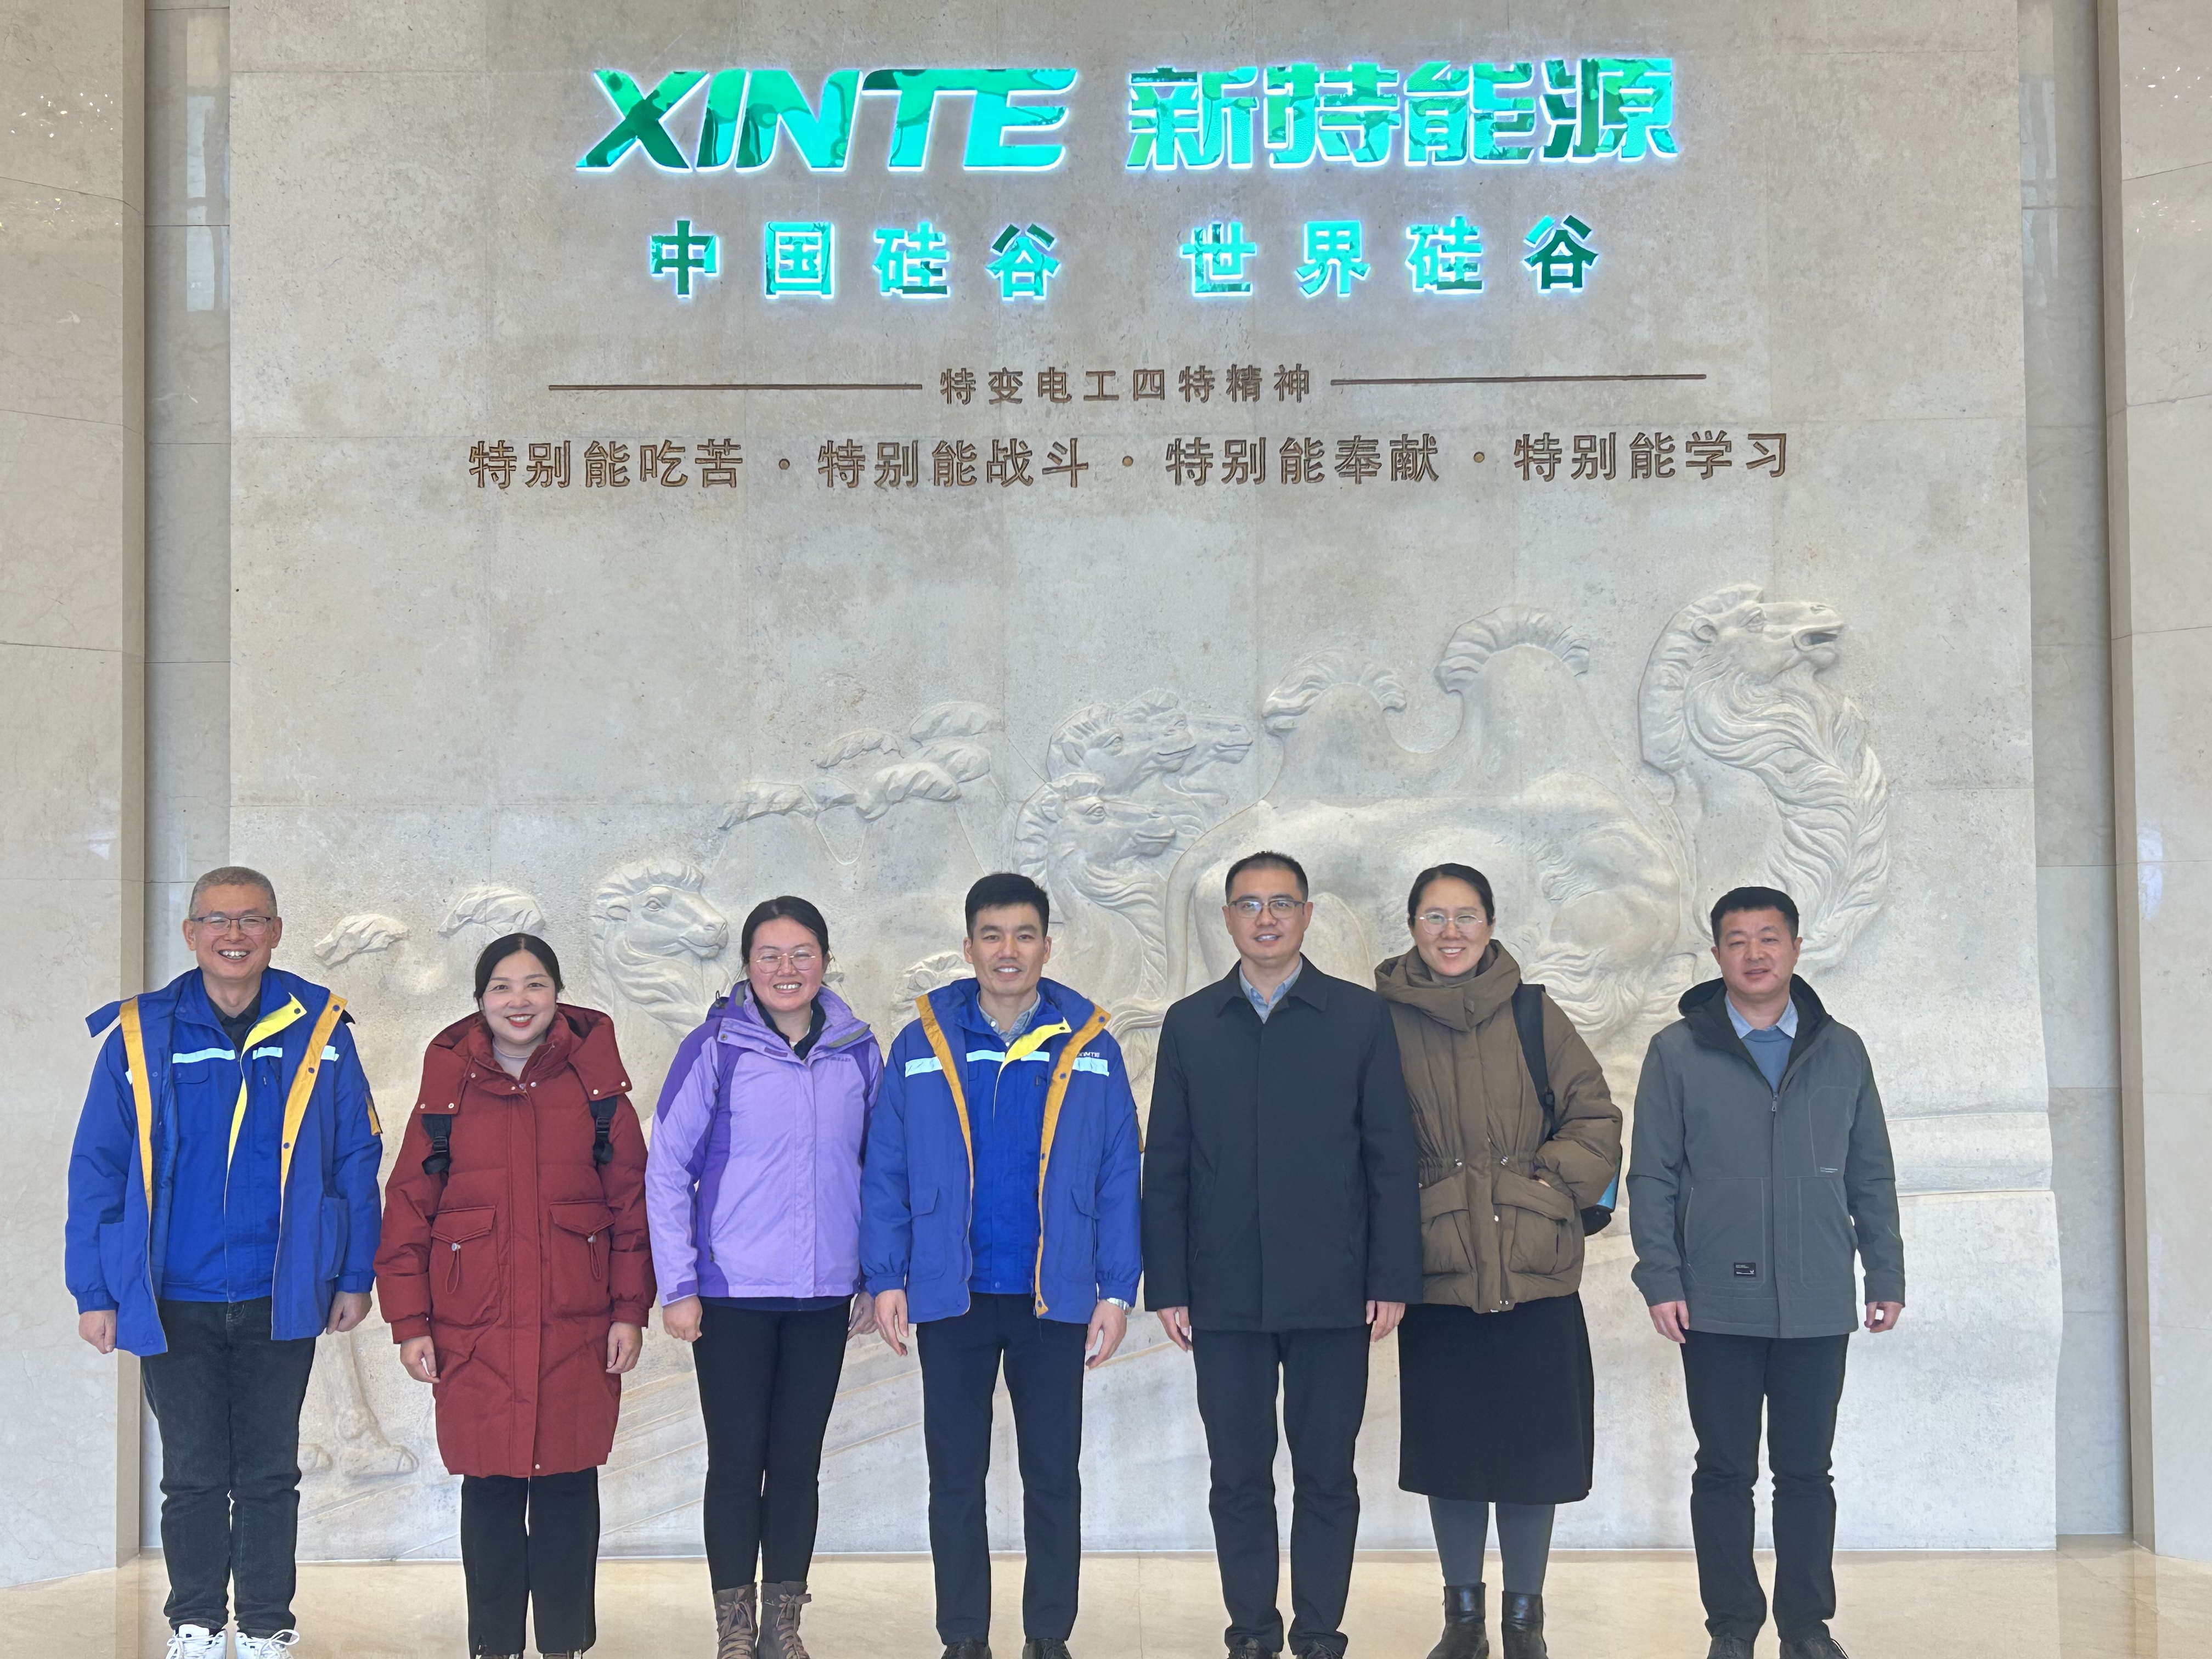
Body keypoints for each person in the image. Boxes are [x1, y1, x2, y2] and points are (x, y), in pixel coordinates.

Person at [65, 865, 383, 1659]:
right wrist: (95, 1290)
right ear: (191, 933)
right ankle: (198, 1623)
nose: (234, 935)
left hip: (284, 1289)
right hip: (175, 1293)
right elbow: (98, 1166)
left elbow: (356, 1158)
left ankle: (268, 1626)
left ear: (275, 932)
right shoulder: (139, 1035)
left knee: (271, 1473)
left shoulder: (321, 1030)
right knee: (194, 1474)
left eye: (251, 920)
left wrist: (354, 1275)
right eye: (217, 920)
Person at [1143, 851, 1421, 1659]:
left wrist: (1391, 1275)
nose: (1265, 919)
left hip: (1334, 1287)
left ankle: (1321, 1632)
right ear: (1228, 918)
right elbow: (1168, 1163)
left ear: (1307, 914)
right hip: (1222, 1290)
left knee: (1327, 1474)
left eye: (1282, 903)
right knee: (1237, 1474)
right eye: (1249, 905)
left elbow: (1390, 1158)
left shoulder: (1359, 1017)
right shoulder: (1192, 1023)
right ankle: (1253, 1633)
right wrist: (1169, 1284)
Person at [861, 872, 1143, 1659]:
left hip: (1054, 1296)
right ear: (968, 947)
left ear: (1048, 947)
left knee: (1053, 1477)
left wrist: (1117, 1289)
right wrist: (886, 1276)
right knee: (955, 1479)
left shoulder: (1091, 1045)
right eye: (992, 935)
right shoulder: (921, 1044)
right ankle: (964, 1637)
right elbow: (885, 1168)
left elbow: (1120, 1171)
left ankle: (1048, 1634)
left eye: (1024, 935)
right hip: (950, 1294)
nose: (1007, 950)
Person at [1629, 887, 1905, 1659]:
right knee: (1724, 1471)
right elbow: (1651, 1175)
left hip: (1818, 1298)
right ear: (1717, 954)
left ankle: (1807, 1627)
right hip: (1715, 1300)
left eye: (1769, 937)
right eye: (1737, 940)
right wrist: (1661, 1277)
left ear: (1795, 947)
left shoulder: (1842, 1050)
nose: (1754, 953)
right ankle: (1732, 1628)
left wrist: (1885, 1272)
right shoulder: (1677, 1052)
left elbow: (1871, 1172)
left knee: (1807, 1472)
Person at [375, 934, 652, 1659]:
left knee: (567, 1490)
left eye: (535, 985)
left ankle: (565, 1646)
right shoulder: (446, 1095)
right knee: (491, 1492)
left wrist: (630, 1311)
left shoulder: (598, 1093)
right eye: (501, 987)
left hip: (575, 1329)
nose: (519, 1000)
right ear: (480, 1001)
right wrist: (410, 1323)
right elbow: (407, 1211)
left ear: (558, 995)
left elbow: (633, 1211)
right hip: (475, 1331)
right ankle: (492, 1648)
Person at [1375, 864, 1621, 1659]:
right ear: (1412, 927)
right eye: (1434, 917)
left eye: (1467, 916)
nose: (1451, 932)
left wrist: (1539, 1191)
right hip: (1439, 1275)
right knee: (1451, 1458)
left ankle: (1523, 1622)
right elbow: (1357, 1140)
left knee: (1531, 1459)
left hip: (1534, 1277)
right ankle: (1462, 1622)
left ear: (1490, 924)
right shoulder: (1377, 1021)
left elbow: (1595, 1117)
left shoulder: (1533, 1011)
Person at [646, 896, 883, 1659]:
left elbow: (883, 1170)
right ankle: (735, 1629)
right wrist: (679, 1286)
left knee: (797, 1464)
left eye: (802, 953)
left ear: (825, 961)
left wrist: (876, 1277)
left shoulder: (857, 1050)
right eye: (770, 955)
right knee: (737, 1461)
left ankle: (784, 1625)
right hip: (732, 1295)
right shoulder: (715, 1047)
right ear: (747, 965)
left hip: (823, 1295)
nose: (787, 969)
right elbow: (666, 1168)